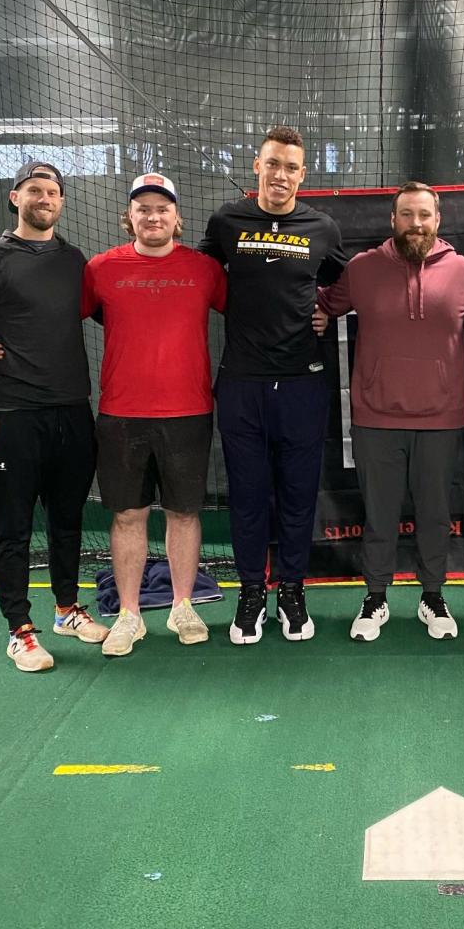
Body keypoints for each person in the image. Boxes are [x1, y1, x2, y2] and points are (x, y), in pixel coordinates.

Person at [314, 182, 464, 641]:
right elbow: (322, 305)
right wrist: (311, 313)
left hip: (442, 417)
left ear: (438, 219)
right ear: (393, 221)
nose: (416, 224)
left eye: (424, 215)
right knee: (379, 515)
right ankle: (375, 598)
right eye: (407, 215)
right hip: (376, 418)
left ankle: (432, 596)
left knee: (433, 514)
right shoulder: (363, 269)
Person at [200, 127, 348, 645]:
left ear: (302, 174)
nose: (280, 175)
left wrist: (328, 310)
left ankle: (291, 589)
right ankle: (250, 593)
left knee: (297, 495)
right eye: (272, 164)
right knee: (246, 495)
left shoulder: (321, 227)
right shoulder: (226, 222)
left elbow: (351, 283)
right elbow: (191, 277)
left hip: (303, 385)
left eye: (290, 167)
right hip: (241, 384)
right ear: (256, 167)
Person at [0, 161, 107, 672]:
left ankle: (68, 608)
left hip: (72, 411)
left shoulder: (76, 262)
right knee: (13, 528)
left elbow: (119, 312)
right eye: (34, 190)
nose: (45, 198)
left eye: (54, 192)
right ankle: (19, 630)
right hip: (15, 414)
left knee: (68, 521)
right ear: (14, 197)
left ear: (62, 203)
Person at [82, 173, 227, 658]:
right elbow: (56, 321)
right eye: (143, 208)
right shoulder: (101, 269)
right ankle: (128, 615)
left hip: (188, 412)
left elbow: (252, 316)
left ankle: (183, 606)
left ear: (177, 217)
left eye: (162, 208)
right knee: (127, 515)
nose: (153, 216)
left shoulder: (206, 270)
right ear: (130, 217)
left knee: (184, 513)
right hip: (121, 414)